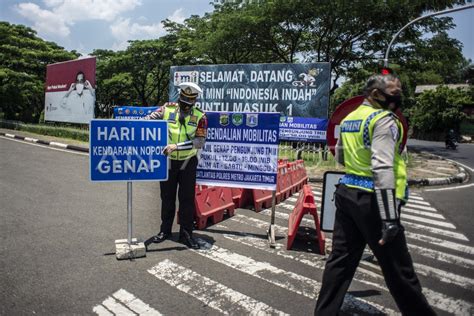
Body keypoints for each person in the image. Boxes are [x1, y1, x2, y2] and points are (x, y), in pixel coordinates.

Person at [314, 74, 435, 315]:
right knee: (399, 271)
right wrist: (390, 218)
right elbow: (382, 166)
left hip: (347, 191)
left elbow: (339, 156)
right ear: (376, 94)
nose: (398, 94)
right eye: (393, 90)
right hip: (374, 199)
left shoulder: (350, 119)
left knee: (340, 261)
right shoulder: (383, 120)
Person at [144, 82, 207, 249]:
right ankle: (165, 231)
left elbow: (199, 142)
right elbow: (146, 121)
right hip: (168, 162)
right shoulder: (167, 109)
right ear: (179, 98)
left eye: (189, 103)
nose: (186, 106)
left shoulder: (201, 117)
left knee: (186, 200)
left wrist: (176, 147)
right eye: (183, 101)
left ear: (194, 102)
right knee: (167, 198)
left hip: (188, 162)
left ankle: (186, 234)